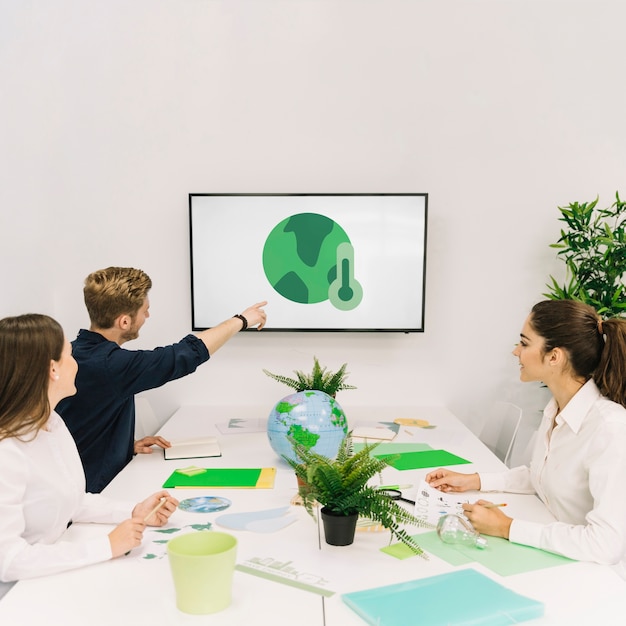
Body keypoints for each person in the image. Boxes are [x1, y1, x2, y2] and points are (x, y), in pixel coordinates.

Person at [426, 299, 626, 576]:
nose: (515, 351)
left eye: (524, 343)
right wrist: (473, 481)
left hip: (599, 577)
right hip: (559, 558)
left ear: (554, 357)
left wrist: (506, 527)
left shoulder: (610, 428)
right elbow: (541, 476)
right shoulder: (557, 409)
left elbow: (606, 545)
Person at [0, 313, 179, 582]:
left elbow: (74, 499)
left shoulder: (53, 423)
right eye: (70, 355)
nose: (77, 364)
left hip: (48, 576)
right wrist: (106, 546)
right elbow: (9, 561)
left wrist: (133, 511)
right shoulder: (7, 452)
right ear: (53, 369)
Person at [56, 266, 268, 493]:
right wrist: (242, 320)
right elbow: (184, 355)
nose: (147, 316)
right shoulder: (111, 366)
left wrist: (123, 447)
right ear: (124, 322)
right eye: (144, 310)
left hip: (74, 482)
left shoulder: (74, 352)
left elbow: (81, 425)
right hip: (90, 496)